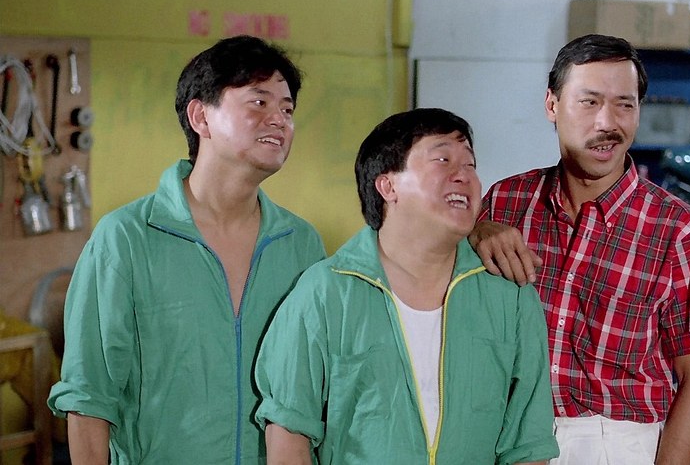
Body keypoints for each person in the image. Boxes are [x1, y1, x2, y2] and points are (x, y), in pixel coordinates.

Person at [47, 35, 326, 463]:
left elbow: (313, 391)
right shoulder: (127, 238)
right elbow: (88, 397)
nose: (279, 120)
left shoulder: (301, 244)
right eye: (259, 102)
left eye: (287, 110)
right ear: (201, 117)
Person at [469, 34, 690, 465]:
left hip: (614, 443)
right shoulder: (506, 202)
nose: (607, 122)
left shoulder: (679, 230)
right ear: (552, 105)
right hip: (504, 433)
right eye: (589, 102)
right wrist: (474, 232)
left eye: (624, 105)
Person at [254, 108, 559, 464]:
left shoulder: (509, 294)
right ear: (388, 186)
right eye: (443, 159)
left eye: (470, 164)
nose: (464, 175)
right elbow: (289, 433)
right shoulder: (325, 292)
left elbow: (528, 442)